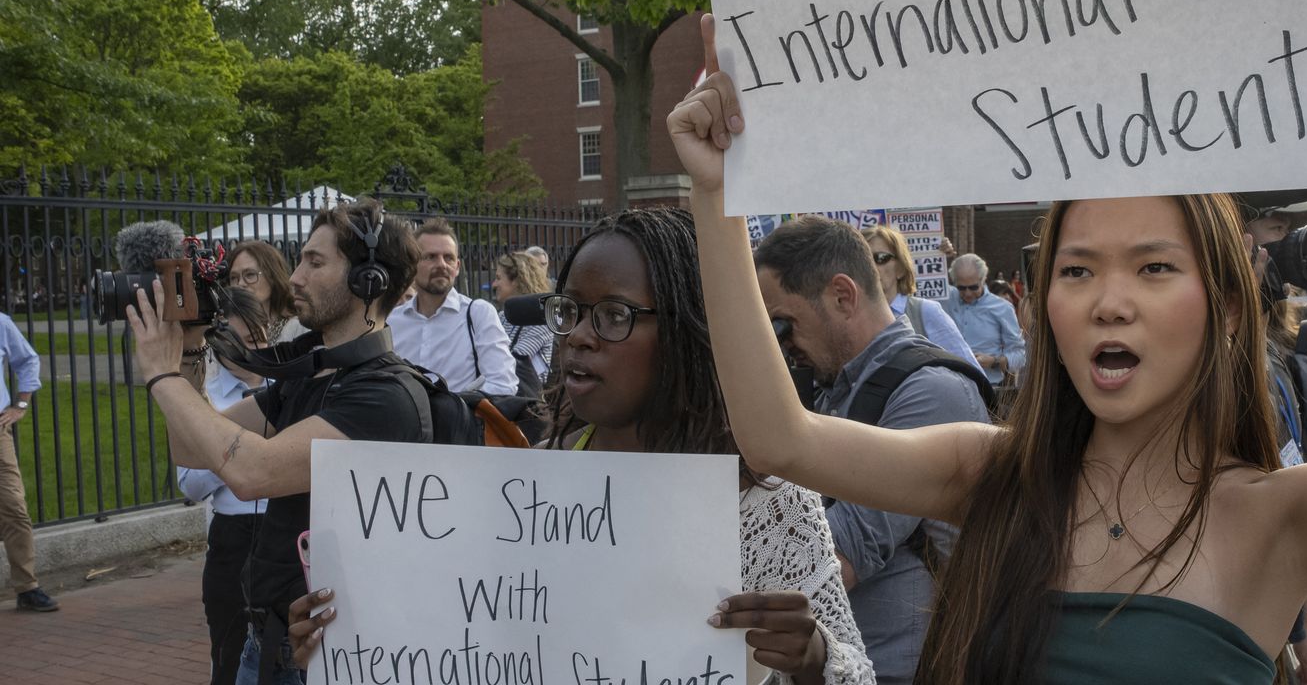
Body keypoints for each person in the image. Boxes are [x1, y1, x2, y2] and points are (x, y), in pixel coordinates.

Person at [665, 0, 1307, 683]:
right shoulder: (990, 474)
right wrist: (715, 195)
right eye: (1078, 270)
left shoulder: (1278, 516)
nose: (1107, 300)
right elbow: (780, 436)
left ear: (1228, 307)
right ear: (1043, 304)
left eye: (1154, 268)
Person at [287, 207, 876, 684]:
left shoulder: (763, 501)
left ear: (687, 333)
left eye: (615, 315)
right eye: (570, 311)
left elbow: (858, 677)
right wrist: (348, 640)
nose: (579, 339)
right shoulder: (531, 486)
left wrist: (814, 661)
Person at [130, 200, 431, 683]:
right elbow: (194, 451)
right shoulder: (314, 377)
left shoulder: (384, 396)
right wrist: (188, 351)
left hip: (328, 655)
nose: (294, 278)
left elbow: (253, 473)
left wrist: (160, 375)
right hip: (269, 639)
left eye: (314, 262)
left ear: (368, 282)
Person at [759, 217, 995, 684]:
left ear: (842, 296)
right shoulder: (822, 387)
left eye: (783, 323)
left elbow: (832, 560)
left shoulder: (933, 392)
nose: (779, 344)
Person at [176, 289, 278, 684]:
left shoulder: (287, 388)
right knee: (230, 653)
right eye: (239, 342)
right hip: (233, 539)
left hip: (284, 531)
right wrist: (239, 448)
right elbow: (191, 484)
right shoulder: (205, 399)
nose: (252, 352)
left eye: (258, 339)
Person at [387, 217, 517, 394]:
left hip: (461, 419)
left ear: (457, 267)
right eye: (431, 257)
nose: (441, 265)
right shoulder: (392, 322)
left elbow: (503, 384)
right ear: (412, 265)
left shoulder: (478, 314)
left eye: (448, 258)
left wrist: (456, 409)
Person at [862, 225, 981, 370]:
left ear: (900, 268)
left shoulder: (925, 311)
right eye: (864, 260)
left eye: (880, 258)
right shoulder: (853, 318)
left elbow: (970, 371)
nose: (872, 267)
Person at [1, 309, 56, 611]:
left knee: (14, 508)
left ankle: (27, 588)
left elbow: (27, 359)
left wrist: (21, 404)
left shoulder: (0, 323)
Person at [940, 252, 1025, 388]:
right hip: (950, 385)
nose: (967, 293)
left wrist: (994, 362)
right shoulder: (946, 298)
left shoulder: (1002, 308)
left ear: (983, 279)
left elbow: (1020, 354)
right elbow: (919, 281)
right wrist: (938, 252)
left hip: (988, 385)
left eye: (973, 287)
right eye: (961, 288)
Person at [492, 249, 556, 379]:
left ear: (516, 280)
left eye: (498, 278)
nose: (494, 284)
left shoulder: (541, 318)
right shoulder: (501, 316)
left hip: (526, 397)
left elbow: (515, 360)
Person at [228, 240, 306, 341]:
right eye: (234, 277)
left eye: (250, 274)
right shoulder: (226, 329)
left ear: (272, 277)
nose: (240, 283)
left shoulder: (297, 329)